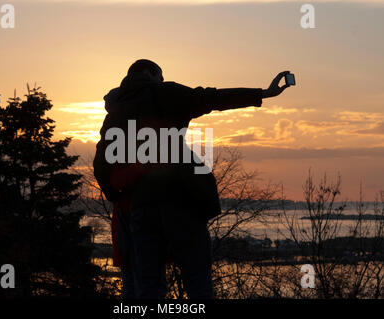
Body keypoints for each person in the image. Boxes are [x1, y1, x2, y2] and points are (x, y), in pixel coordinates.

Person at [93, 59, 291, 299]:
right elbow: (212, 98)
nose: (162, 80)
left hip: (141, 207)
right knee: (197, 280)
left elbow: (101, 165)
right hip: (181, 199)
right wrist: (262, 94)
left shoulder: (114, 113)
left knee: (149, 287)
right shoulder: (165, 93)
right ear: (150, 72)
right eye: (160, 76)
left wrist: (121, 197)